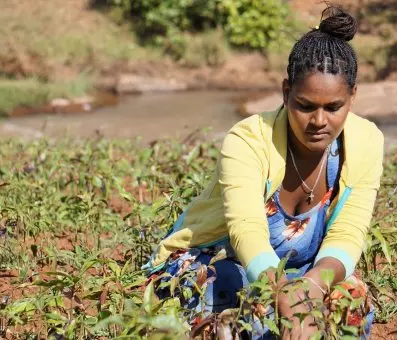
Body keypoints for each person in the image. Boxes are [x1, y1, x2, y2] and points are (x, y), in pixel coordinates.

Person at [142, 5, 384, 339]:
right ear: (286, 93)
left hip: (301, 271)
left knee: (351, 301)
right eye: (305, 105)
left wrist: (312, 286)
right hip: (216, 260)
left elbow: (348, 233)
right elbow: (246, 232)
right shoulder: (249, 139)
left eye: (333, 107)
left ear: (352, 97)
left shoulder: (366, 142)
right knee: (230, 295)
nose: (318, 121)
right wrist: (283, 294)